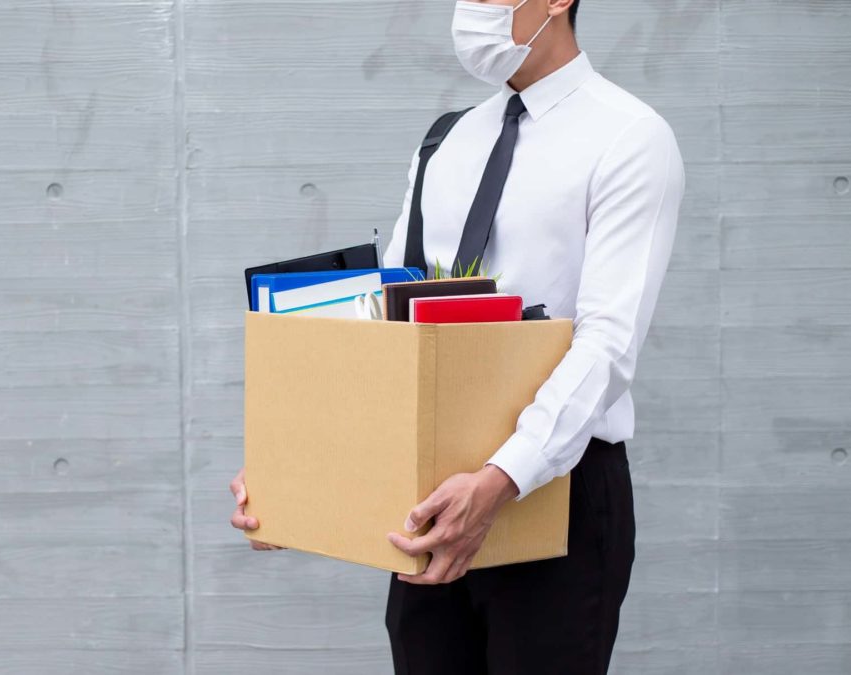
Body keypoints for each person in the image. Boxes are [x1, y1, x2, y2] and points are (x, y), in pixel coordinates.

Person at [231, 0, 685, 671]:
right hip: (431, 486)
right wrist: (293, 467)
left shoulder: (629, 138)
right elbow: (385, 326)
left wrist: (502, 478)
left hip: (554, 486)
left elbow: (608, 344)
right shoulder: (448, 141)